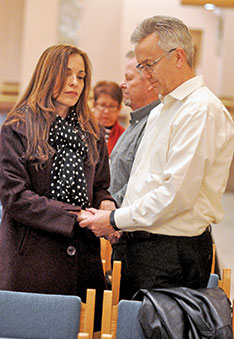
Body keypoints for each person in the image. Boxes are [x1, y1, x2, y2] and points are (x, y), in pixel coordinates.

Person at [77, 16, 234, 300]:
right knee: (126, 333)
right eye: (140, 66)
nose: (145, 74)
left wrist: (114, 218)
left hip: (171, 252)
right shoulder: (163, 109)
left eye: (149, 64)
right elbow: (143, 181)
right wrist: (117, 218)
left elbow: (176, 195)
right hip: (141, 243)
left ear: (178, 57)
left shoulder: (200, 110)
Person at [0, 44, 116, 328]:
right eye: (66, 73)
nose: (74, 82)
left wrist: (106, 203)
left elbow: (99, 186)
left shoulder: (93, 132)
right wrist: (74, 215)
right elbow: (15, 198)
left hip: (81, 260)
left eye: (81, 76)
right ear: (47, 75)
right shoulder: (18, 127)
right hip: (30, 262)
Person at [109, 50, 160, 206]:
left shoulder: (155, 123)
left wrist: (109, 210)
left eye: (129, 78)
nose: (121, 84)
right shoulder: (135, 122)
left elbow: (142, 184)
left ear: (150, 83)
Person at [93, 81, 125, 156]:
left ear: (119, 108)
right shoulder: (84, 130)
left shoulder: (123, 135)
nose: (106, 111)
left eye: (112, 106)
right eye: (102, 105)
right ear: (94, 104)